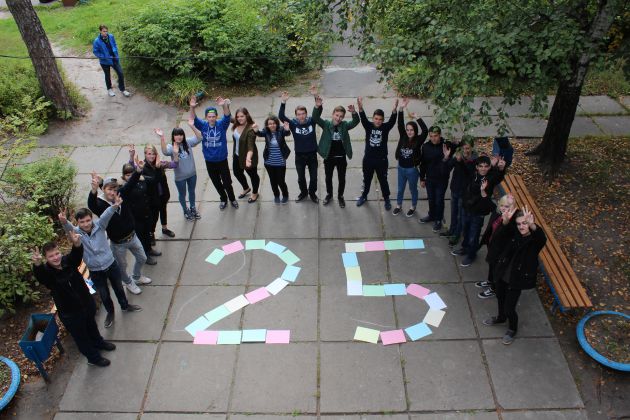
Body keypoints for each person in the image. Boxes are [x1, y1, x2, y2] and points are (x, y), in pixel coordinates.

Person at [31, 232, 115, 367]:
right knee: (81, 337)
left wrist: (77, 244)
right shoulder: (47, 273)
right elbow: (41, 276)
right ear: (46, 258)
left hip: (86, 304)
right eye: (51, 256)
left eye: (57, 253)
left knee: (92, 326)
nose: (56, 257)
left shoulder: (67, 261)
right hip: (71, 313)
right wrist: (37, 264)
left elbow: (76, 256)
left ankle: (99, 342)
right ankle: (93, 358)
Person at [59, 200, 142, 329]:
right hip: (95, 271)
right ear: (77, 223)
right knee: (104, 294)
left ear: (92, 219)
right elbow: (69, 229)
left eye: (88, 220)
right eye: (82, 222)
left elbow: (106, 215)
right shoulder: (77, 233)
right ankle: (110, 313)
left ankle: (125, 305)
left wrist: (114, 206)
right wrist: (64, 222)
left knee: (119, 288)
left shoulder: (100, 225)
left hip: (111, 265)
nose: (86, 224)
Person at [483, 206, 547, 345]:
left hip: (516, 280)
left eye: (524, 223)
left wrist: (533, 225)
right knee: (500, 298)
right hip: (502, 274)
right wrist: (505, 223)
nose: (521, 227)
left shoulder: (534, 241)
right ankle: (501, 318)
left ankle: (512, 328)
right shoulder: (514, 234)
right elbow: (498, 238)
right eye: (519, 224)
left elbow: (542, 239)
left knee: (509, 308)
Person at [88, 168, 152, 295]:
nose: (113, 193)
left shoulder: (121, 194)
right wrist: (93, 190)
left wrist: (138, 171)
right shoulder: (100, 204)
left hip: (133, 237)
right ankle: (128, 282)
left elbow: (131, 183)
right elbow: (92, 205)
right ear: (103, 189)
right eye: (109, 189)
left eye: (115, 189)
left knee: (142, 258)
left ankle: (137, 276)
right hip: (118, 244)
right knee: (122, 267)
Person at [451, 155, 506, 267]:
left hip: (478, 213)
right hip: (466, 209)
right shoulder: (473, 174)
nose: (483, 169)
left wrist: (501, 169)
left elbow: (498, 177)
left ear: (489, 167)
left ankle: (471, 255)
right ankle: (465, 248)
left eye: (486, 166)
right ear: (477, 167)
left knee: (474, 235)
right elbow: (464, 168)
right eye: (481, 166)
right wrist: (459, 160)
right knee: (465, 231)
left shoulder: (490, 178)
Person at [190, 95, 237, 210]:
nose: (211, 118)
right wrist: (192, 107)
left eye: (213, 116)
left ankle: (232, 199)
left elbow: (227, 116)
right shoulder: (203, 125)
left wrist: (224, 106)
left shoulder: (221, 125)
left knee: (227, 183)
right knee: (216, 183)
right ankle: (223, 199)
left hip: (222, 160)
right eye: (209, 116)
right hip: (209, 161)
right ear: (206, 117)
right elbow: (193, 119)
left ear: (216, 116)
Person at [312, 94, 360, 207]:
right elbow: (315, 118)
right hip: (329, 157)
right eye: (337, 115)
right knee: (328, 178)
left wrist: (354, 112)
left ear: (343, 118)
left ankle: (340, 196)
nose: (338, 118)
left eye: (341, 116)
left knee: (341, 178)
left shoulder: (344, 125)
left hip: (341, 158)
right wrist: (317, 107)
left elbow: (355, 122)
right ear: (333, 114)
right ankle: (329, 194)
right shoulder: (326, 124)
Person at [356, 97, 398, 210]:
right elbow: (363, 118)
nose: (378, 121)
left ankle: (387, 198)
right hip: (368, 159)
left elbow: (392, 121)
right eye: (376, 118)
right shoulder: (368, 126)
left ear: (383, 120)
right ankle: (364, 196)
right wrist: (360, 108)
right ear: (373, 118)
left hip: (381, 160)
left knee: (383, 180)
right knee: (366, 179)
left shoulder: (385, 128)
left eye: (380, 119)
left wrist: (394, 110)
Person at [279, 91, 319, 203]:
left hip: (312, 155)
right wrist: (283, 102)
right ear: (296, 115)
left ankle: (312, 193)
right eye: (299, 114)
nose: (301, 116)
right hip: (300, 156)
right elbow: (281, 116)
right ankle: (303, 193)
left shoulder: (312, 121)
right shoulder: (293, 124)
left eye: (303, 113)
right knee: (301, 178)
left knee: (314, 178)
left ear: (306, 114)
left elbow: (318, 110)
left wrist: (315, 96)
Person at [392, 98, 427, 217]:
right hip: (401, 168)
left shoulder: (418, 140)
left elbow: (425, 131)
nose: (409, 132)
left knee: (413, 189)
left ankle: (413, 206)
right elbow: (400, 124)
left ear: (415, 131)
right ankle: (398, 205)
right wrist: (401, 108)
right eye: (407, 130)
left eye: (411, 130)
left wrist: (417, 117)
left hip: (412, 170)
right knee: (400, 189)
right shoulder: (403, 136)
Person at [121, 155, 160, 262]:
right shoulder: (124, 188)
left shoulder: (141, 180)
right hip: (135, 218)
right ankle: (145, 256)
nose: (130, 176)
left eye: (131, 174)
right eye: (127, 175)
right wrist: (137, 173)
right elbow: (130, 184)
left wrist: (157, 169)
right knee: (141, 238)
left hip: (146, 214)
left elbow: (154, 181)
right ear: (123, 176)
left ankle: (149, 250)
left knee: (147, 234)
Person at [477, 194, 517, 299]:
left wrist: (505, 223)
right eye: (502, 205)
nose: (503, 208)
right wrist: (484, 194)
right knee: (491, 265)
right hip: (492, 245)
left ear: (513, 208)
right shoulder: (498, 212)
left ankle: (494, 289)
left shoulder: (513, 221)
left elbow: (507, 234)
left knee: (497, 270)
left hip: (501, 252)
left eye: (507, 206)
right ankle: (490, 281)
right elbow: (489, 205)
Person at [158, 124, 200, 221]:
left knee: (192, 191)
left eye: (181, 134)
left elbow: (199, 138)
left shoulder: (188, 142)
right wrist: (162, 137)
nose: (179, 137)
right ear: (173, 136)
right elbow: (164, 151)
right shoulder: (171, 147)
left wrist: (192, 126)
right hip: (180, 178)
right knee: (182, 194)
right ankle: (185, 210)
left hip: (192, 175)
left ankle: (193, 208)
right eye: (176, 135)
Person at [441, 136, 477, 245]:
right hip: (455, 189)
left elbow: (469, 173)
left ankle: (457, 234)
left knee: (461, 216)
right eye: (463, 148)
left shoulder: (474, 159)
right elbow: (446, 169)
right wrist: (446, 158)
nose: (465, 151)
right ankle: (452, 230)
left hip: (465, 193)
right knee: (454, 212)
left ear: (472, 148)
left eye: (468, 148)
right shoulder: (458, 156)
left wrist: (460, 162)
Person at [138, 144, 178, 243]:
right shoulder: (143, 166)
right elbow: (153, 180)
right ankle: (151, 233)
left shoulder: (160, 163)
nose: (151, 156)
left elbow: (175, 164)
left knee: (163, 211)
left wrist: (175, 154)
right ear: (145, 154)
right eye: (149, 154)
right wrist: (131, 157)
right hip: (152, 198)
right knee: (154, 217)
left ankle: (164, 228)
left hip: (163, 194)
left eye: (153, 154)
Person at [418, 126, 455, 232]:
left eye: (436, 136)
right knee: (431, 199)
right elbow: (423, 164)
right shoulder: (425, 147)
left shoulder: (446, 145)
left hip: (442, 179)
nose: (433, 138)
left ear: (440, 135)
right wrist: (422, 178)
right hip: (430, 178)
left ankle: (438, 219)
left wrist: (455, 144)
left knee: (439, 200)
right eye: (431, 136)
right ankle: (431, 215)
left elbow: (459, 148)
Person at [254, 116, 292, 204]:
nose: (272, 125)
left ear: (277, 124)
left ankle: (285, 195)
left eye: (274, 123)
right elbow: (260, 134)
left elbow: (287, 133)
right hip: (269, 162)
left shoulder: (281, 130)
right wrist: (256, 130)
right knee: (273, 181)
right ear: (267, 125)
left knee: (281, 181)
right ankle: (276, 195)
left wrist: (287, 129)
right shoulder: (266, 131)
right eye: (270, 124)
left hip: (280, 162)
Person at [92, 24, 130, 98]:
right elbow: (95, 52)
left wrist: (115, 52)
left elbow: (114, 45)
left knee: (121, 73)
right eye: (104, 31)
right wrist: (105, 57)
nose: (106, 33)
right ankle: (109, 89)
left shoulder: (111, 36)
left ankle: (122, 89)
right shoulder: (97, 41)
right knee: (107, 75)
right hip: (104, 62)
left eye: (106, 31)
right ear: (100, 31)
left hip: (114, 59)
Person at [231, 107, 260, 203]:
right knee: (237, 173)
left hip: (248, 157)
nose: (239, 118)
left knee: (253, 176)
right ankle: (246, 188)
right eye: (238, 117)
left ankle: (255, 193)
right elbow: (228, 116)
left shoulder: (251, 129)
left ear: (247, 116)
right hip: (237, 155)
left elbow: (250, 147)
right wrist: (224, 105)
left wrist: (248, 159)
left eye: (242, 116)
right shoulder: (237, 123)